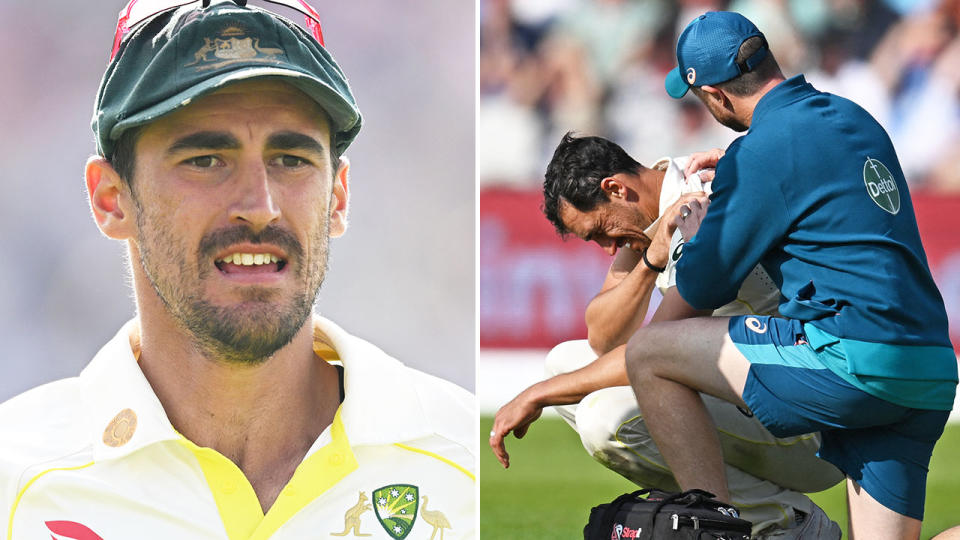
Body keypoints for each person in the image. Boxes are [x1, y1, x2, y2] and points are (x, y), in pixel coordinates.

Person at [0, 2, 475, 539]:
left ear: (338, 197)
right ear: (111, 200)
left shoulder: (463, 461)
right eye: (205, 159)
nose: (260, 204)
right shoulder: (15, 480)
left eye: (291, 159)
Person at [623, 11, 957, 540]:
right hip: (927, 366)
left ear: (715, 96)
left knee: (650, 353)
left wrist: (698, 223)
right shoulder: (854, 116)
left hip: (854, 358)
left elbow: (689, 304)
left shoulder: (757, 152)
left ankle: (715, 529)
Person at [488, 133, 843, 538]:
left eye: (601, 230)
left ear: (617, 188)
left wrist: (540, 393)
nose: (607, 249)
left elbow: (652, 350)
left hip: (809, 423)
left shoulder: (698, 203)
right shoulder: (654, 205)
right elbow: (603, 336)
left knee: (606, 420)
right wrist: (649, 259)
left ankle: (785, 524)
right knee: (566, 361)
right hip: (764, 395)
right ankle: (770, 515)